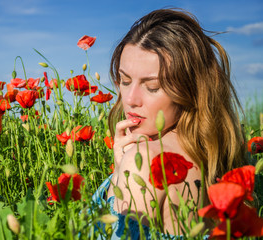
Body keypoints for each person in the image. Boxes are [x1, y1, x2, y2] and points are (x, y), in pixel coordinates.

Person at [91, 8, 247, 239]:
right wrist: (119, 170)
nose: (130, 99)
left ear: (191, 89)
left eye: (152, 87)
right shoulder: (215, 152)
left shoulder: (145, 160)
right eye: (125, 80)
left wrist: (125, 172)